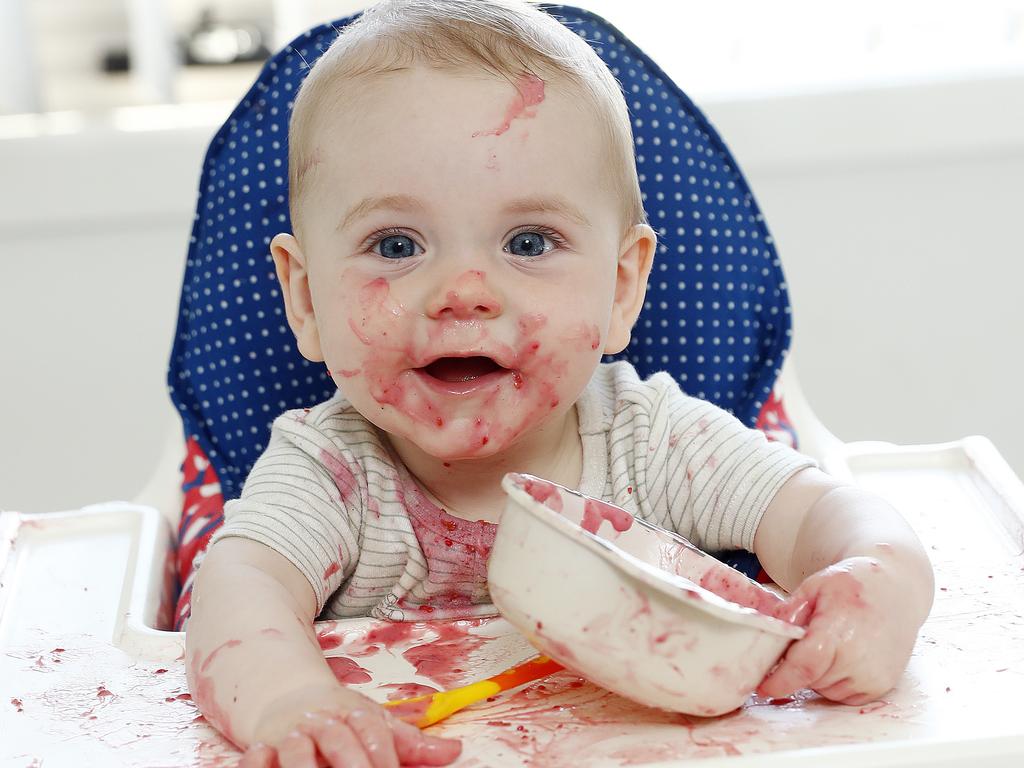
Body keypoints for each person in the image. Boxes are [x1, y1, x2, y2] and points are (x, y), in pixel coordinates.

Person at [185, 1, 935, 766]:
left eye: (529, 241)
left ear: (620, 290)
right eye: (397, 243)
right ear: (306, 301)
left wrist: (881, 581)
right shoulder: (331, 474)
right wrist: (289, 701)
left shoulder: (655, 442)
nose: (463, 290)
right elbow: (236, 587)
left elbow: (826, 510)